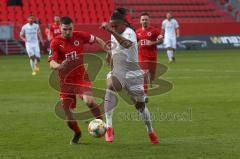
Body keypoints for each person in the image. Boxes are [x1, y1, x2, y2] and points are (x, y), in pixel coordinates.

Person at [101, 11, 159, 144]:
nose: (113, 28)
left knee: (140, 106)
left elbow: (126, 44)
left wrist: (111, 31)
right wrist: (110, 57)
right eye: (112, 26)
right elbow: (116, 50)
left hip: (133, 74)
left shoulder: (129, 33)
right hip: (119, 71)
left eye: (115, 26)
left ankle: (150, 130)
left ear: (123, 24)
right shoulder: (114, 32)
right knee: (110, 86)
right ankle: (109, 127)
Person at [48, 16, 107, 145]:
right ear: (60, 28)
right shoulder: (55, 42)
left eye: (69, 29)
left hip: (80, 78)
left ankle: (103, 125)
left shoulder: (80, 36)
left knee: (89, 101)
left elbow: (97, 39)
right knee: (68, 115)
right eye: (65, 29)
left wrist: (108, 51)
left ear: (73, 27)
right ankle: (77, 133)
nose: (67, 32)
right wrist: (59, 66)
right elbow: (51, 62)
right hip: (65, 82)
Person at [136, 12, 163, 92]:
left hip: (152, 56)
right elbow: (135, 42)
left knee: (151, 75)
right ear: (140, 21)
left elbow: (161, 40)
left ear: (149, 20)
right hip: (141, 56)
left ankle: (151, 80)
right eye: (143, 20)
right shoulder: (137, 32)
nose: (144, 21)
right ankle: (144, 95)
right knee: (144, 74)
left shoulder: (154, 30)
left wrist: (152, 43)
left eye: (146, 20)